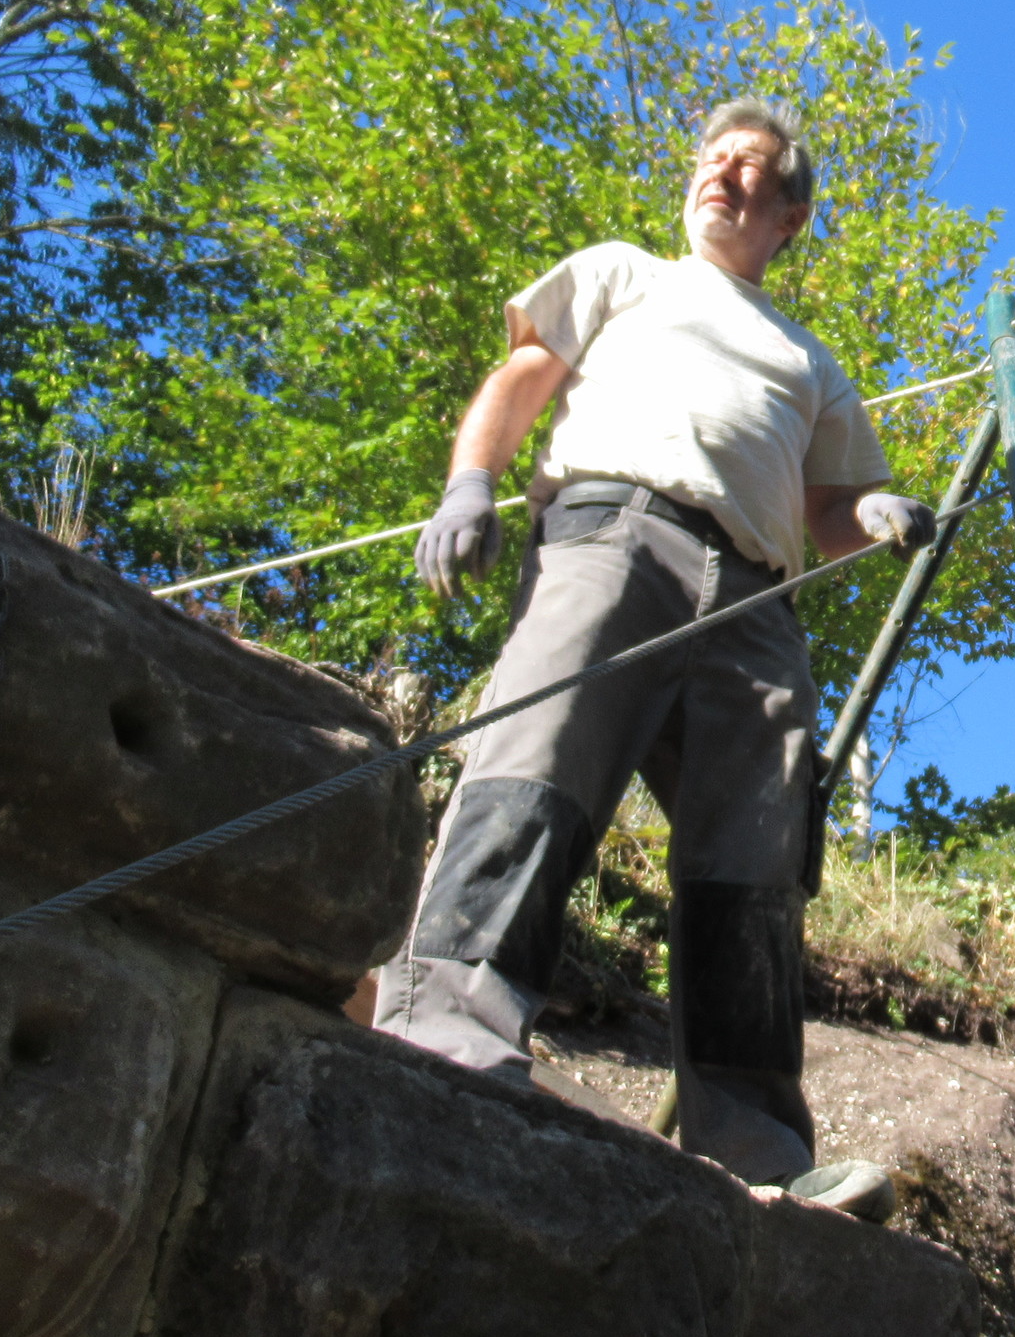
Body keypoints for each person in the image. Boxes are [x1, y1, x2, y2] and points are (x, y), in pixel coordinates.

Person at [374, 99, 934, 1219]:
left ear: (791, 214)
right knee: (536, 765)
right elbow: (524, 374)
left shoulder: (810, 362)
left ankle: (760, 1149)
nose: (719, 175)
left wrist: (872, 512)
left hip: (759, 605)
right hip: (611, 535)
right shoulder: (624, 273)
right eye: (710, 160)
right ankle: (443, 1027)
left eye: (749, 167)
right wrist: (471, 484)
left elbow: (829, 507)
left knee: (755, 864)